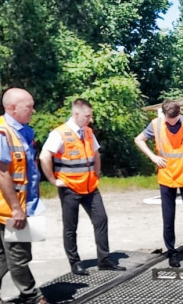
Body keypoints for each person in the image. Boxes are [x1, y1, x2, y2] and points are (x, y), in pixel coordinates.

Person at [0, 88, 58, 304]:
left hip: (21, 203)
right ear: (12, 108)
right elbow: (2, 174)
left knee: (5, 250)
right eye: (29, 106)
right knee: (20, 254)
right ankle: (31, 297)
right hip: (10, 206)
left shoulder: (19, 131)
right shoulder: (1, 134)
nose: (33, 110)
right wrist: (16, 209)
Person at [40, 99, 125, 275]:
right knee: (71, 227)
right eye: (87, 116)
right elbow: (44, 156)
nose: (90, 119)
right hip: (70, 188)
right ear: (76, 114)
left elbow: (96, 153)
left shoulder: (88, 132)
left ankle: (104, 260)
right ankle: (75, 263)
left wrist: (97, 172)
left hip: (90, 186)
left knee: (101, 220)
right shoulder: (59, 133)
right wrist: (53, 180)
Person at [134, 99, 183, 269]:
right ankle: (172, 254)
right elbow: (139, 139)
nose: (171, 123)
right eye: (168, 120)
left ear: (179, 113)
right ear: (164, 114)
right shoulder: (156, 124)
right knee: (168, 217)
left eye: (174, 120)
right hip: (167, 177)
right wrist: (153, 157)